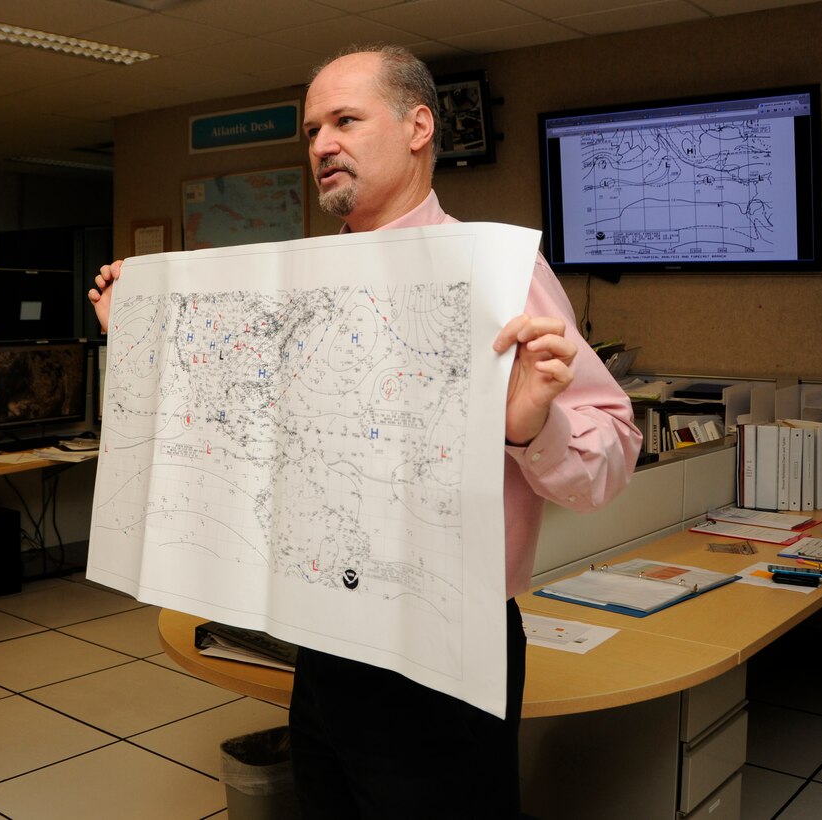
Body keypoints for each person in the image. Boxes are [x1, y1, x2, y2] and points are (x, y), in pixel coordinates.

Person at [90, 44, 642, 820]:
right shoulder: (302, 286)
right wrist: (143, 335)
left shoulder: (496, 275)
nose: (321, 145)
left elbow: (612, 456)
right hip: (324, 645)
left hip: (442, 655)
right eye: (312, 129)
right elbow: (238, 433)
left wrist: (529, 428)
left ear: (419, 126)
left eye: (345, 120)